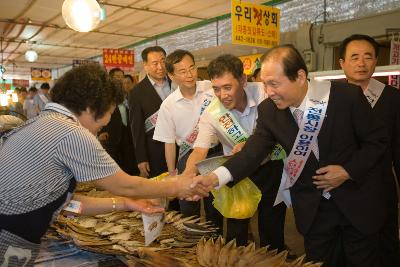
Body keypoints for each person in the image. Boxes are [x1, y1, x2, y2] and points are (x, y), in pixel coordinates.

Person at [195, 45, 388, 266]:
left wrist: (347, 171)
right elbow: (252, 152)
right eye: (266, 84)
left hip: (357, 203)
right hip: (314, 211)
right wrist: (212, 178)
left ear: (300, 76)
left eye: (274, 84)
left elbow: (377, 142)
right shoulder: (269, 110)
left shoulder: (346, 97)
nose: (268, 92)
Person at [0, 64, 207, 266]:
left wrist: (125, 203)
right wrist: (177, 186)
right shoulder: (70, 132)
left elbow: (67, 203)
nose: (107, 121)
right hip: (9, 239)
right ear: (91, 108)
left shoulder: (43, 121)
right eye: (109, 111)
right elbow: (125, 184)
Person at [183, 54, 286, 248]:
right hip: (236, 174)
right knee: (236, 231)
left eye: (228, 87)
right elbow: (199, 151)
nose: (222, 95)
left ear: (243, 80)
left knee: (272, 227)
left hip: (272, 167)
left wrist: (250, 145)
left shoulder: (266, 94)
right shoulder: (212, 114)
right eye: (216, 89)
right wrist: (188, 176)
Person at [339, 34, 400, 267]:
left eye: (368, 57)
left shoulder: (392, 98)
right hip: (343, 187)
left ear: (376, 61)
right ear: (342, 63)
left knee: (386, 248)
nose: (361, 63)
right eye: (354, 57)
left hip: (381, 188)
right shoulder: (329, 99)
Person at [153, 49, 222, 228]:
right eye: (182, 71)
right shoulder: (168, 105)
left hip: (215, 154)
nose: (189, 75)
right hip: (187, 156)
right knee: (189, 209)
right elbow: (168, 142)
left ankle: (215, 244)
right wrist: (172, 173)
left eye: (191, 68)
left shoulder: (211, 88)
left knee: (215, 206)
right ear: (171, 75)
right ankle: (192, 245)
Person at [128, 46, 172, 178]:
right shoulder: (136, 93)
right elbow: (137, 129)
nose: (160, 67)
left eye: (163, 61)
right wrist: (141, 158)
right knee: (162, 191)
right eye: (155, 63)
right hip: (155, 151)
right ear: (145, 66)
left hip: (181, 147)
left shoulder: (176, 84)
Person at [99, 68, 139, 175]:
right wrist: (100, 131)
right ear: (110, 78)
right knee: (114, 165)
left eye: (122, 77)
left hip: (128, 134)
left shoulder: (130, 94)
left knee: (130, 163)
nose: (120, 79)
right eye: (117, 77)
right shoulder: (105, 95)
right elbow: (99, 113)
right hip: (111, 134)